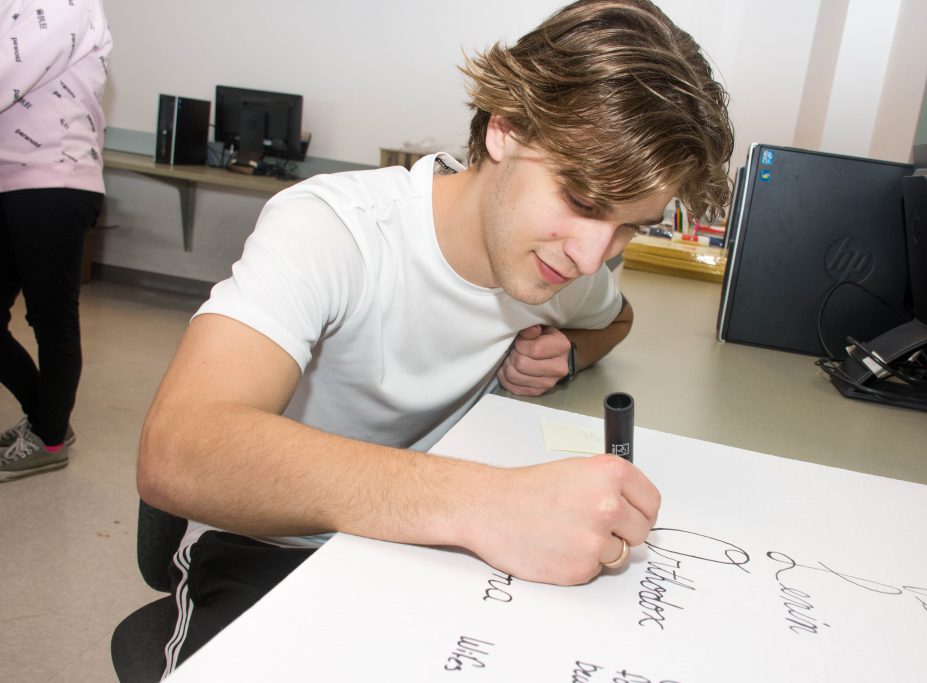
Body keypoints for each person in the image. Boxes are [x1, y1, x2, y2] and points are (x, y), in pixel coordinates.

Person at [138, 0, 733, 672]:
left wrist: (568, 354)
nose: (593, 255)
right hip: (268, 547)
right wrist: (489, 501)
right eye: (585, 199)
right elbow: (180, 449)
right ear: (505, 129)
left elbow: (614, 316)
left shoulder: (563, 263)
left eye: (630, 226)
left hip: (422, 550)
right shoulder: (335, 229)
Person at [0, 0, 112, 481]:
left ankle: (47, 437)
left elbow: (8, 70)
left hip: (55, 180)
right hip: (9, 180)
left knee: (51, 318)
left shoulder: (66, 5)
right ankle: (48, 418)